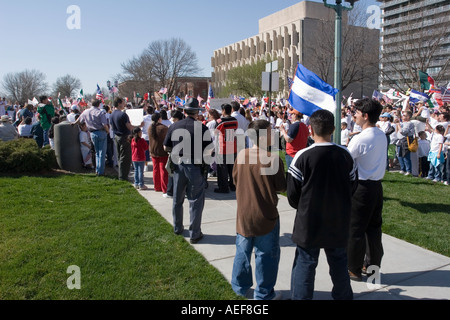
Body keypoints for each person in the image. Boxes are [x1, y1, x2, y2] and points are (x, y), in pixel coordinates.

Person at [287, 110, 357, 300]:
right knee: (339, 263)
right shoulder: (345, 155)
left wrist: (304, 207)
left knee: (305, 264)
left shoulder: (302, 156)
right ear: (333, 129)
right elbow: (353, 186)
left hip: (309, 220)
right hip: (337, 219)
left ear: (310, 130)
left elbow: (292, 193)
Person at [231, 120, 286, 300]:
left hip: (244, 214)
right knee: (266, 256)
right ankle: (263, 293)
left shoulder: (241, 156)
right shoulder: (272, 159)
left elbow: (236, 180)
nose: (273, 135)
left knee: (243, 252)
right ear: (263, 136)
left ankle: (239, 287)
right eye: (270, 132)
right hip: (265, 215)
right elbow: (281, 187)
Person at [346, 98, 387, 282]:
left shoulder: (360, 138)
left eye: (357, 112)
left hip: (361, 188)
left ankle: (353, 269)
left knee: (355, 230)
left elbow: (346, 161)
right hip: (376, 187)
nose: (354, 115)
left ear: (366, 115)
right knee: (373, 230)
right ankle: (372, 268)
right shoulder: (380, 134)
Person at [163, 98, 213, 244]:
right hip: (195, 166)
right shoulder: (202, 128)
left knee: (177, 199)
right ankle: (194, 233)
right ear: (197, 112)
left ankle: (178, 227)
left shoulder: (174, 126)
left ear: (184, 111)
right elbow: (209, 150)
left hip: (178, 165)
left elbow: (165, 147)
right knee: (195, 200)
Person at [73, 99, 110, 176]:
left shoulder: (86, 112)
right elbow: (104, 124)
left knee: (97, 152)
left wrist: (73, 123)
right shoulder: (100, 112)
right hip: (101, 132)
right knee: (102, 153)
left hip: (92, 133)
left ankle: (97, 169)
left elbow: (79, 120)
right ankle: (101, 171)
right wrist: (108, 131)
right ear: (99, 104)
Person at [214, 104, 239, 193]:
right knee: (231, 168)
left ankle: (223, 187)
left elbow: (215, 132)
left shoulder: (220, 121)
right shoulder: (235, 120)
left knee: (222, 169)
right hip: (232, 146)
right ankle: (233, 185)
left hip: (223, 147)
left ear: (223, 110)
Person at [110, 97, 134, 181]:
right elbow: (129, 127)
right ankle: (123, 177)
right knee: (125, 158)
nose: (124, 104)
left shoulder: (112, 114)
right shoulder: (123, 114)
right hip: (124, 137)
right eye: (123, 102)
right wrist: (139, 125)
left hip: (117, 136)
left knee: (120, 157)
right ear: (119, 103)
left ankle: (121, 175)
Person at [148, 113, 169, 195]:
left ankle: (157, 187)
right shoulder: (163, 128)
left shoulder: (150, 127)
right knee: (163, 171)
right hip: (162, 152)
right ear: (159, 118)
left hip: (153, 151)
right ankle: (165, 188)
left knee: (156, 170)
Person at [395, 110, 415, 175]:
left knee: (405, 156)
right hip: (400, 140)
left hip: (405, 141)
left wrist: (398, 125)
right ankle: (402, 168)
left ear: (408, 117)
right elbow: (397, 131)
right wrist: (397, 124)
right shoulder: (403, 123)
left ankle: (408, 170)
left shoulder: (409, 123)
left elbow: (403, 131)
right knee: (399, 155)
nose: (402, 117)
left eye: (404, 115)